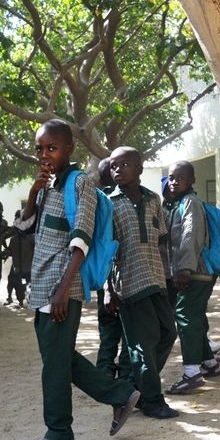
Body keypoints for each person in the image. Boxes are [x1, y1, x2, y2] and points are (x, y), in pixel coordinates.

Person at [19, 119, 139, 440]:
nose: (44, 154)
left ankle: (59, 432)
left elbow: (81, 237)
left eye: (51, 148)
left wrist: (63, 289)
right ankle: (120, 395)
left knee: (54, 364)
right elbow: (24, 228)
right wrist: (33, 193)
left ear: (69, 148)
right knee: (58, 358)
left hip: (61, 287)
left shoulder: (79, 183)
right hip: (42, 285)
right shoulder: (49, 186)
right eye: (39, 149)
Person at [106, 146, 179, 419]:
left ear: (139, 168)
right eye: (113, 165)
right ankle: (152, 400)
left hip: (156, 278)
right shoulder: (108, 203)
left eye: (124, 164)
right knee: (143, 343)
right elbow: (105, 249)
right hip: (128, 282)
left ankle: (135, 387)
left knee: (168, 333)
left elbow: (160, 238)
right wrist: (108, 289)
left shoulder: (152, 200)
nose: (117, 170)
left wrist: (169, 278)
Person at [166, 160, 220, 395]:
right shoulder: (178, 203)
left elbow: (191, 236)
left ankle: (192, 373)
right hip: (194, 271)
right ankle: (210, 363)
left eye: (180, 178)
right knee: (195, 317)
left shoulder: (190, 203)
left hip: (195, 272)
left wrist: (184, 270)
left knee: (186, 317)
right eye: (171, 178)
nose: (174, 182)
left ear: (191, 181)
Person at [95, 157, 130, 381]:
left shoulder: (98, 201)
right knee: (127, 330)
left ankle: (104, 371)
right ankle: (125, 373)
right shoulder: (116, 202)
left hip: (104, 277)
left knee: (108, 329)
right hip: (120, 277)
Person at [4, 210, 34, 308]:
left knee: (29, 283)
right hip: (17, 265)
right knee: (13, 281)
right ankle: (14, 298)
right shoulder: (14, 239)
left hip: (28, 265)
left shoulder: (30, 238)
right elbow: (10, 251)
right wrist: (6, 253)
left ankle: (27, 300)